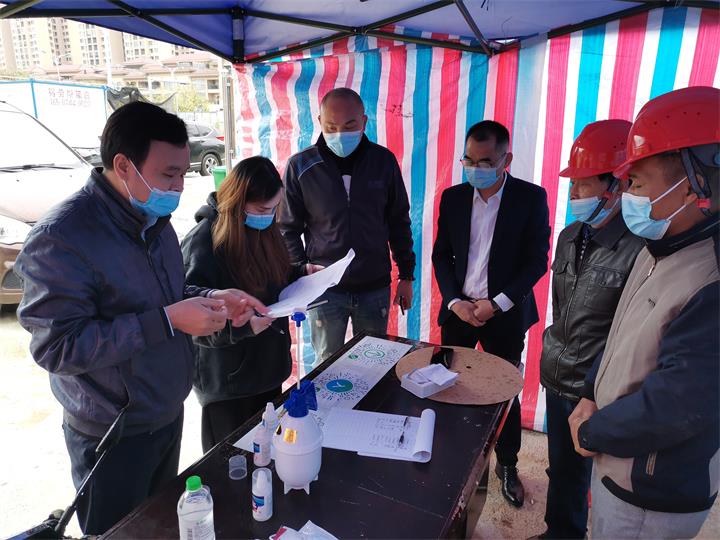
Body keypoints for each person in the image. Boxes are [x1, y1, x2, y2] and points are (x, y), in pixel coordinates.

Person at [14, 101, 265, 535]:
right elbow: (57, 347)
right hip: (112, 433)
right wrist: (168, 321)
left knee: (159, 525)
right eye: (169, 174)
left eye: (183, 174)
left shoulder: (155, 220)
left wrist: (212, 298)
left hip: (165, 413)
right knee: (119, 532)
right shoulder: (62, 238)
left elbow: (167, 298)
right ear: (124, 166)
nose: (179, 187)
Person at [569, 86, 719, 539]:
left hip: (652, 492)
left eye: (636, 182)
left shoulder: (711, 279)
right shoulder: (660, 248)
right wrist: (591, 392)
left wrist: (593, 432)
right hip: (621, 464)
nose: (627, 194)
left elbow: (676, 405)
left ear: (693, 187)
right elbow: (621, 332)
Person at [432, 120, 551, 508]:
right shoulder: (453, 197)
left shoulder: (530, 198)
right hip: (459, 311)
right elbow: (441, 256)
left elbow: (536, 261)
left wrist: (497, 302)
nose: (475, 168)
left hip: (504, 313)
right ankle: (454, 460)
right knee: (451, 384)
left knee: (504, 392)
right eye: (469, 160)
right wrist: (455, 301)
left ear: (506, 159)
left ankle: (508, 464)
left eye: (485, 161)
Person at [537, 120, 645, 539]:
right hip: (558, 374)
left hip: (599, 389)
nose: (574, 193)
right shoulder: (569, 236)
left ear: (617, 186)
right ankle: (560, 532)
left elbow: (630, 334)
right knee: (562, 467)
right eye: (572, 183)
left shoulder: (640, 248)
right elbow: (561, 307)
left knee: (599, 478)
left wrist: (595, 390)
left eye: (584, 183)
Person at [182, 156, 317, 453]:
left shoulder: (264, 229)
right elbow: (191, 318)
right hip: (228, 384)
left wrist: (301, 273)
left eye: (274, 209)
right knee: (230, 463)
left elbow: (271, 277)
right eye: (262, 210)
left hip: (268, 371)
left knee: (268, 456)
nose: (269, 217)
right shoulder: (204, 241)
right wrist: (243, 328)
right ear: (237, 201)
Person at [279, 87, 415, 363]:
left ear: (364, 121)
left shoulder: (383, 161)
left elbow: (399, 220)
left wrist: (407, 275)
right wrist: (302, 273)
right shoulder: (301, 165)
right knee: (326, 364)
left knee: (372, 362)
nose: (340, 133)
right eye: (331, 127)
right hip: (324, 289)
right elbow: (287, 229)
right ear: (320, 122)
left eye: (350, 125)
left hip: (374, 285)